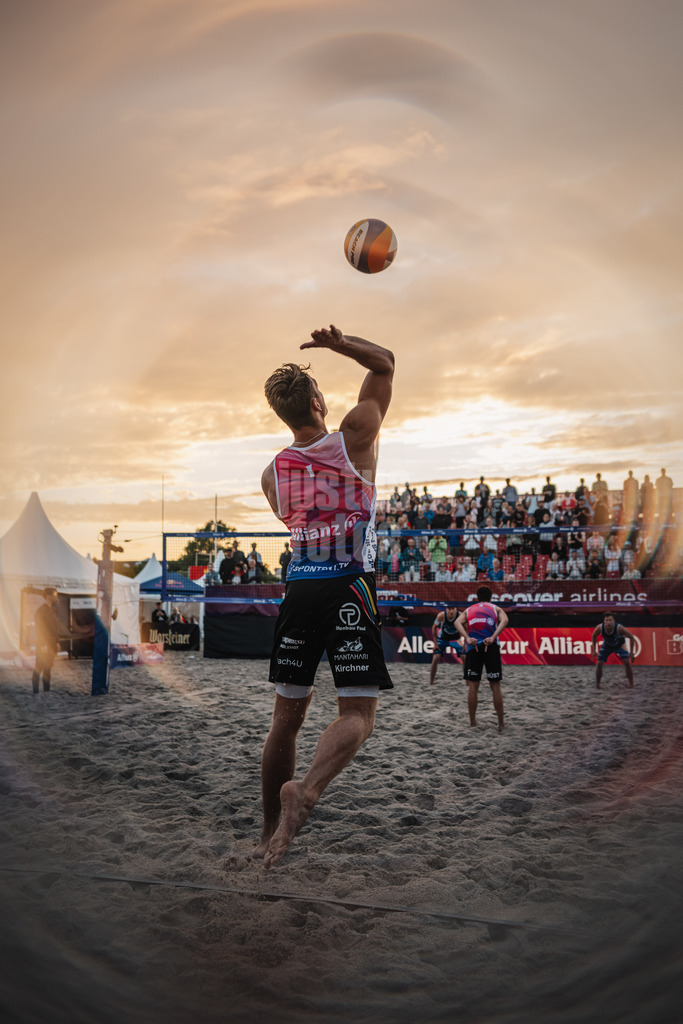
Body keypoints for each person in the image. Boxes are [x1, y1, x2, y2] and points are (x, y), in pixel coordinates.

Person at [257, 323, 394, 867]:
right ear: (317, 401)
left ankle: (267, 832)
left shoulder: (272, 474)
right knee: (358, 712)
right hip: (348, 583)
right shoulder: (354, 434)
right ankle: (306, 791)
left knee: (284, 721)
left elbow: (294, 519)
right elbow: (384, 365)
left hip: (301, 587)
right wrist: (339, 345)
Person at [455, 586, 508, 732]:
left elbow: (457, 623)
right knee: (495, 686)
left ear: (477, 598)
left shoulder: (469, 609)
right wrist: (493, 637)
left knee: (473, 686)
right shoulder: (495, 608)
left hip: (474, 647)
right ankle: (501, 724)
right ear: (491, 597)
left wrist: (467, 638)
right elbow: (505, 620)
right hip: (490, 647)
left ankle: (473, 723)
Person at [591, 612, 635, 689]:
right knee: (599, 663)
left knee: (627, 662)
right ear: (604, 621)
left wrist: (631, 653)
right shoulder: (600, 628)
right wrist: (594, 650)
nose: (608, 622)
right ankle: (597, 685)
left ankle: (631, 684)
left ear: (613, 621)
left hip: (620, 645)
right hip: (607, 645)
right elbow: (594, 635)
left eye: (610, 620)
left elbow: (631, 637)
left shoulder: (619, 628)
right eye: (607, 620)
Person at [32, 588, 62, 694]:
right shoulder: (41, 611)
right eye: (54, 594)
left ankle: (46, 691)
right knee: (39, 667)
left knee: (48, 668)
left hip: (52, 645)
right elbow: (39, 629)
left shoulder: (53, 610)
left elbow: (55, 628)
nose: (56, 597)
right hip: (43, 645)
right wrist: (43, 645)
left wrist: (57, 642)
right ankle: (35, 691)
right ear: (48, 596)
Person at [429, 604, 465, 685]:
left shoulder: (460, 615)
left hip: (456, 639)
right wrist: (435, 644)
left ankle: (467, 682)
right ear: (446, 609)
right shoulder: (441, 615)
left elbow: (466, 628)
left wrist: (465, 643)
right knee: (435, 658)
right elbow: (434, 627)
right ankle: (431, 682)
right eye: (449, 609)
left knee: (464, 657)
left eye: (453, 608)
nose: (451, 611)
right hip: (443, 639)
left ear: (456, 609)